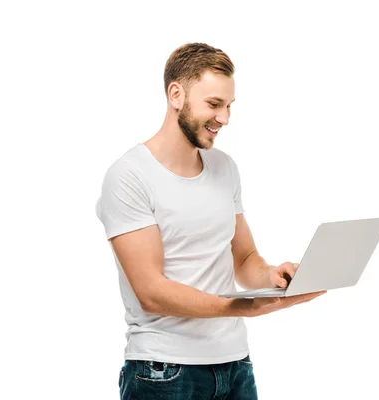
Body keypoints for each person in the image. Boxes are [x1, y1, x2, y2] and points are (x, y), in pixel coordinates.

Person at [95, 42, 326, 400]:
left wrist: (273, 278)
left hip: (235, 366)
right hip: (163, 371)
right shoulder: (129, 176)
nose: (225, 118)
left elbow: (246, 261)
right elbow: (151, 293)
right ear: (176, 94)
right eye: (214, 104)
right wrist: (241, 306)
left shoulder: (224, 167)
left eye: (229, 106)